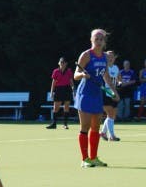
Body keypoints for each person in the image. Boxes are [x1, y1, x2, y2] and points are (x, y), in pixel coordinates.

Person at [73, 29, 118, 167]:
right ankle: (84, 159)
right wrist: (82, 75)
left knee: (96, 127)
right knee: (85, 127)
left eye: (101, 39)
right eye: (96, 39)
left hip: (97, 94)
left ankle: (93, 158)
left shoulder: (104, 57)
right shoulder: (86, 55)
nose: (98, 41)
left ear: (104, 42)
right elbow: (75, 74)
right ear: (91, 40)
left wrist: (114, 91)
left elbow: (106, 76)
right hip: (85, 94)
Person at [45, 57, 74, 130]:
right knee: (55, 108)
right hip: (58, 90)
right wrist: (51, 92)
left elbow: (71, 81)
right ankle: (54, 124)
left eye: (63, 62)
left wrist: (73, 90)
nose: (62, 64)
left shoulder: (69, 71)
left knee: (66, 107)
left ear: (66, 64)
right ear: (59, 63)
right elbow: (53, 83)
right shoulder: (56, 71)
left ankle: (65, 124)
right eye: (61, 62)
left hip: (67, 89)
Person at [100, 50, 121, 141]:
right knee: (110, 114)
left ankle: (103, 133)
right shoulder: (104, 67)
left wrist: (119, 82)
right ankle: (112, 136)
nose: (110, 58)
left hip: (114, 92)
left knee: (112, 116)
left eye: (111, 56)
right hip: (105, 92)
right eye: (108, 56)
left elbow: (118, 79)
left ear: (114, 58)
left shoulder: (116, 68)